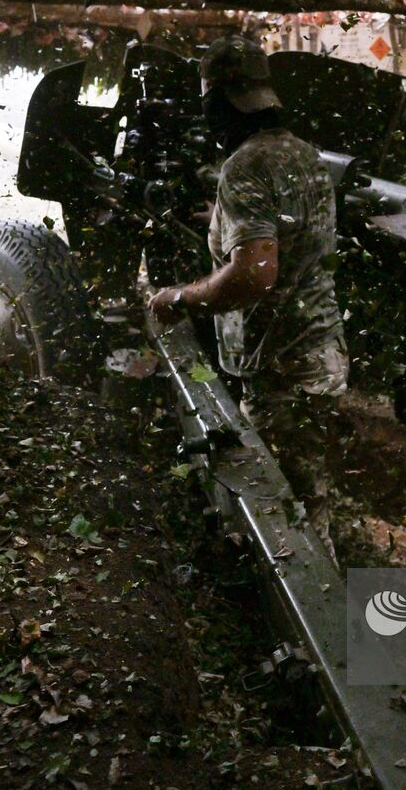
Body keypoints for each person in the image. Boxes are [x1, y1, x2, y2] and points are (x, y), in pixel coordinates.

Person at [148, 35, 348, 555]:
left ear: (217, 102)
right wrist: (223, 223)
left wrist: (179, 299)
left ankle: (310, 635)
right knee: (310, 503)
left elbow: (255, 276)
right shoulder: (305, 155)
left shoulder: (243, 167)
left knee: (284, 526)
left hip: (281, 371)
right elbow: (288, 231)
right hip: (319, 358)